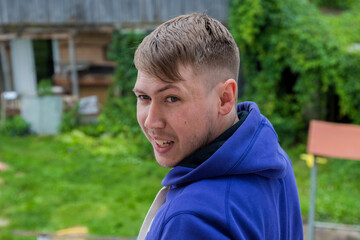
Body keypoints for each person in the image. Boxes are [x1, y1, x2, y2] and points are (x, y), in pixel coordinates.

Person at [133, 13, 303, 240]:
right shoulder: (271, 159)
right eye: (144, 97)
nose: (151, 121)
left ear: (224, 98)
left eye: (171, 98)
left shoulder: (189, 219)